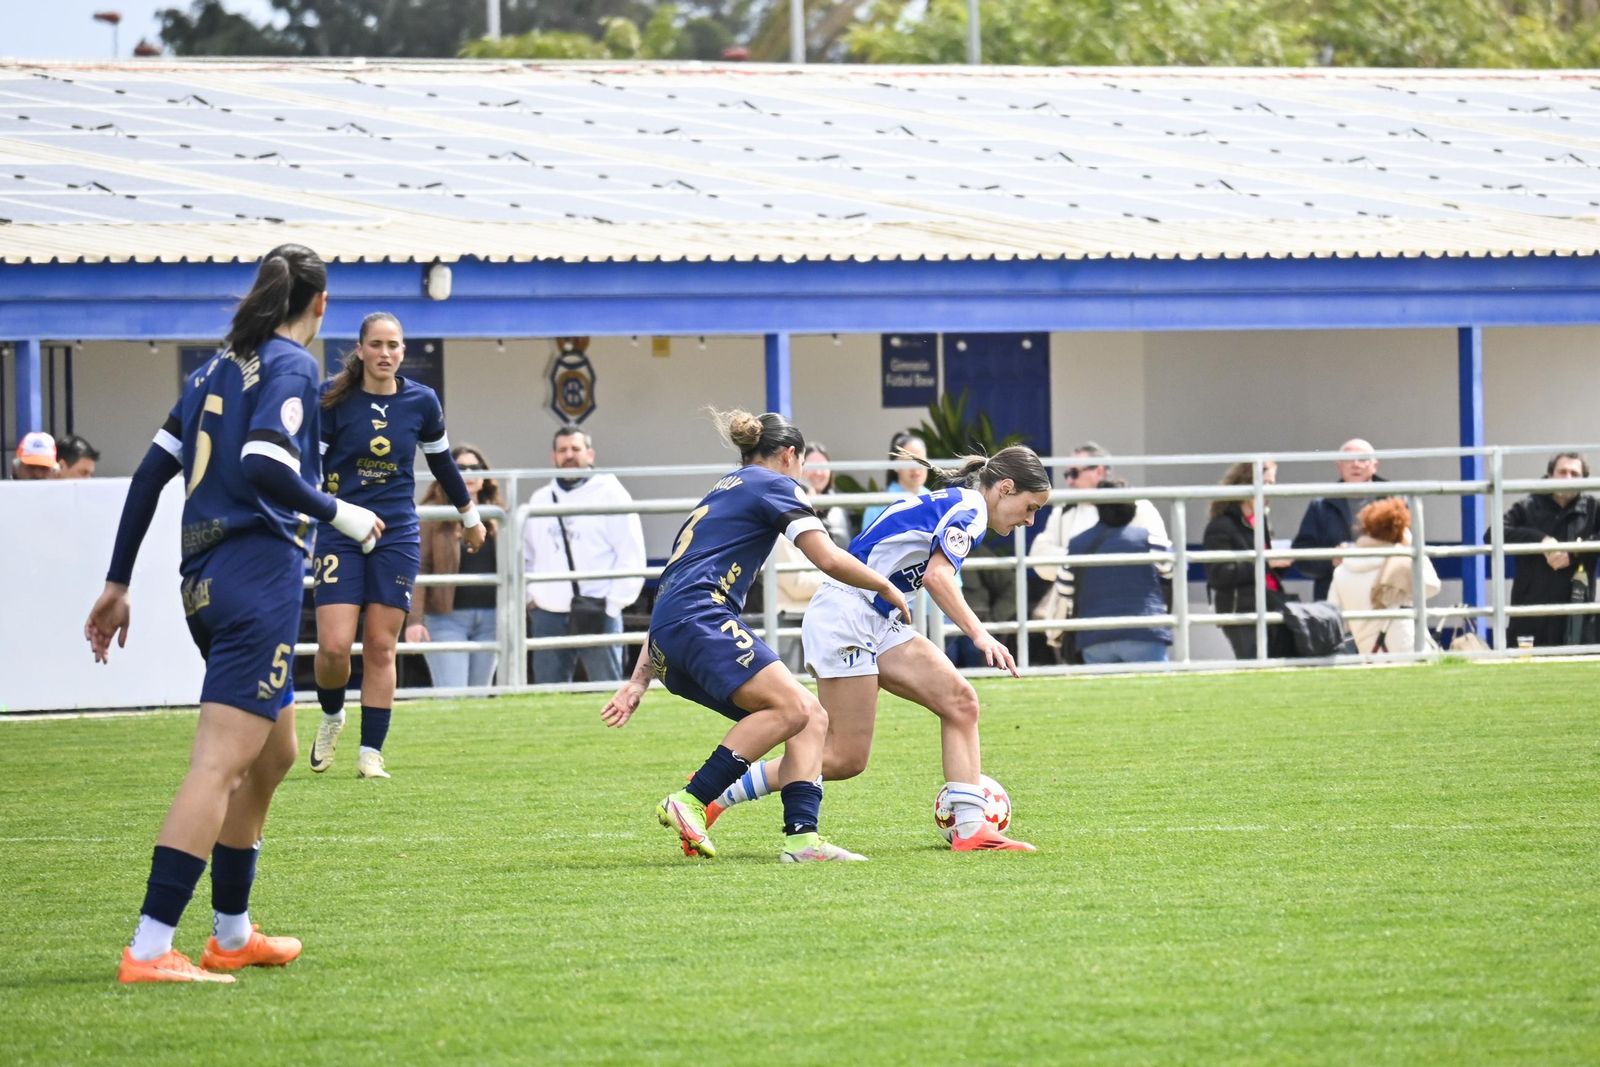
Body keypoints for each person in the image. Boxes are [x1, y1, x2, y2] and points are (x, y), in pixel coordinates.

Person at [83, 243, 384, 984]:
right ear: (319, 305)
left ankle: (230, 933)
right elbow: (264, 461)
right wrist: (341, 513)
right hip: (256, 576)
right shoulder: (291, 363)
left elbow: (154, 471)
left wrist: (118, 580)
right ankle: (150, 947)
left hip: (207, 580)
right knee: (219, 762)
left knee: (275, 751)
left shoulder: (214, 366)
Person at [600, 409, 913, 863]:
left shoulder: (721, 490)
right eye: (802, 464)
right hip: (701, 619)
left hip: (672, 632)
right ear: (789, 455)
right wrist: (883, 584)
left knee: (809, 717)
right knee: (797, 707)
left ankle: (802, 842)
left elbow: (672, 583)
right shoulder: (775, 484)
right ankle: (690, 799)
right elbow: (824, 557)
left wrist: (639, 678)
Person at [705, 445, 1051, 852]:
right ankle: (716, 795)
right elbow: (939, 578)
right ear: (1005, 488)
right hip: (847, 614)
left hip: (876, 616)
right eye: (1030, 508)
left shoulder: (960, 502)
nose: (1029, 520)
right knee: (843, 757)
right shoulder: (972, 509)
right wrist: (981, 634)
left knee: (960, 702)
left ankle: (972, 828)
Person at [310, 311, 484, 780]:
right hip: (340, 530)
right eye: (377, 345)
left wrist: (470, 517)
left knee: (382, 646)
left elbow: (444, 464)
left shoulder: (421, 401)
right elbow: (309, 472)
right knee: (333, 647)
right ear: (361, 350)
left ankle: (371, 752)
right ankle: (331, 715)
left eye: (394, 345)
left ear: (403, 351)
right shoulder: (331, 399)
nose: (386, 353)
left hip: (397, 533)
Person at [523, 425, 647, 684]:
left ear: (590, 454)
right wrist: (531, 598)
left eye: (575, 449)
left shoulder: (612, 494)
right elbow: (526, 555)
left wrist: (613, 604)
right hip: (548, 613)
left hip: (598, 609)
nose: (569, 455)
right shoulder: (540, 499)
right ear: (553, 457)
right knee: (547, 697)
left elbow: (630, 554)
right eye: (562, 450)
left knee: (608, 691)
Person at [1028, 444, 1171, 662]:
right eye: (1067, 474)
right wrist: (1086, 561)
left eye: (1075, 473)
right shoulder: (1064, 511)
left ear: (1099, 471)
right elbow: (1039, 559)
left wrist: (1078, 560)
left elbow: (1160, 562)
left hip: (1135, 618)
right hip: (1076, 624)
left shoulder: (1138, 507)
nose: (1069, 481)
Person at [407, 444, 505, 689]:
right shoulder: (432, 514)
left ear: (485, 476)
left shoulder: (498, 515)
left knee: (480, 697)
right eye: (460, 468)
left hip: (491, 618)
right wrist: (414, 620)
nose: (469, 473)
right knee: (453, 694)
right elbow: (419, 568)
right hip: (445, 619)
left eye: (475, 468)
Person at [1492, 451, 1600, 648]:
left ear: (1584, 480)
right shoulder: (1529, 506)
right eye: (1562, 472)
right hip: (1530, 617)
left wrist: (1576, 551)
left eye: (1574, 474)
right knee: (1523, 677)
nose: (1567, 478)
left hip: (1576, 617)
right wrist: (1539, 541)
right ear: (1550, 475)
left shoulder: (1594, 508)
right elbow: (1493, 533)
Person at [1070, 479, 1173, 664]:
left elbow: (1065, 590)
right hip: (1144, 631)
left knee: (1103, 692)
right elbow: (1169, 570)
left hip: (1094, 637)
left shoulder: (1077, 543)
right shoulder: (1150, 539)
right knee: (1154, 691)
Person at [1203, 460, 1295, 660]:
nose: (1271, 489)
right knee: (1254, 664)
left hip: (1271, 603)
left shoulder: (1260, 522)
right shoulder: (1221, 526)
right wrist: (1265, 564)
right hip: (1242, 610)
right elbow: (1219, 574)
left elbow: (1265, 570)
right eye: (1267, 483)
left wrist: (1281, 563)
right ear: (1247, 483)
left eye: (1273, 483)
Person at [1329, 497, 1441, 655]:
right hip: (1409, 651)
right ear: (1400, 530)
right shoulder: (1401, 563)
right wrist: (1414, 549)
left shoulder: (1342, 570)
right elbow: (1432, 586)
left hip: (1369, 653)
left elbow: (1337, 620)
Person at [1292, 438, 1388, 601]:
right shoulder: (1321, 505)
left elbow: (1410, 548)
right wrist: (1332, 559)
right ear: (1339, 466)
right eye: (1349, 459)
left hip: (1384, 594)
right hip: (1336, 598)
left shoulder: (1393, 500)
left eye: (1363, 459)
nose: (1355, 464)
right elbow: (1302, 559)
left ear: (1375, 465)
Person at [859, 429, 928, 529]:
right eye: (909, 461)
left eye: (921, 460)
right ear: (895, 465)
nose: (916, 467)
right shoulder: (878, 506)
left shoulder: (933, 498)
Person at [800, 442, 851, 546]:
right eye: (812, 466)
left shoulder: (838, 507)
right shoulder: (792, 505)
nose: (818, 472)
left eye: (823, 466)